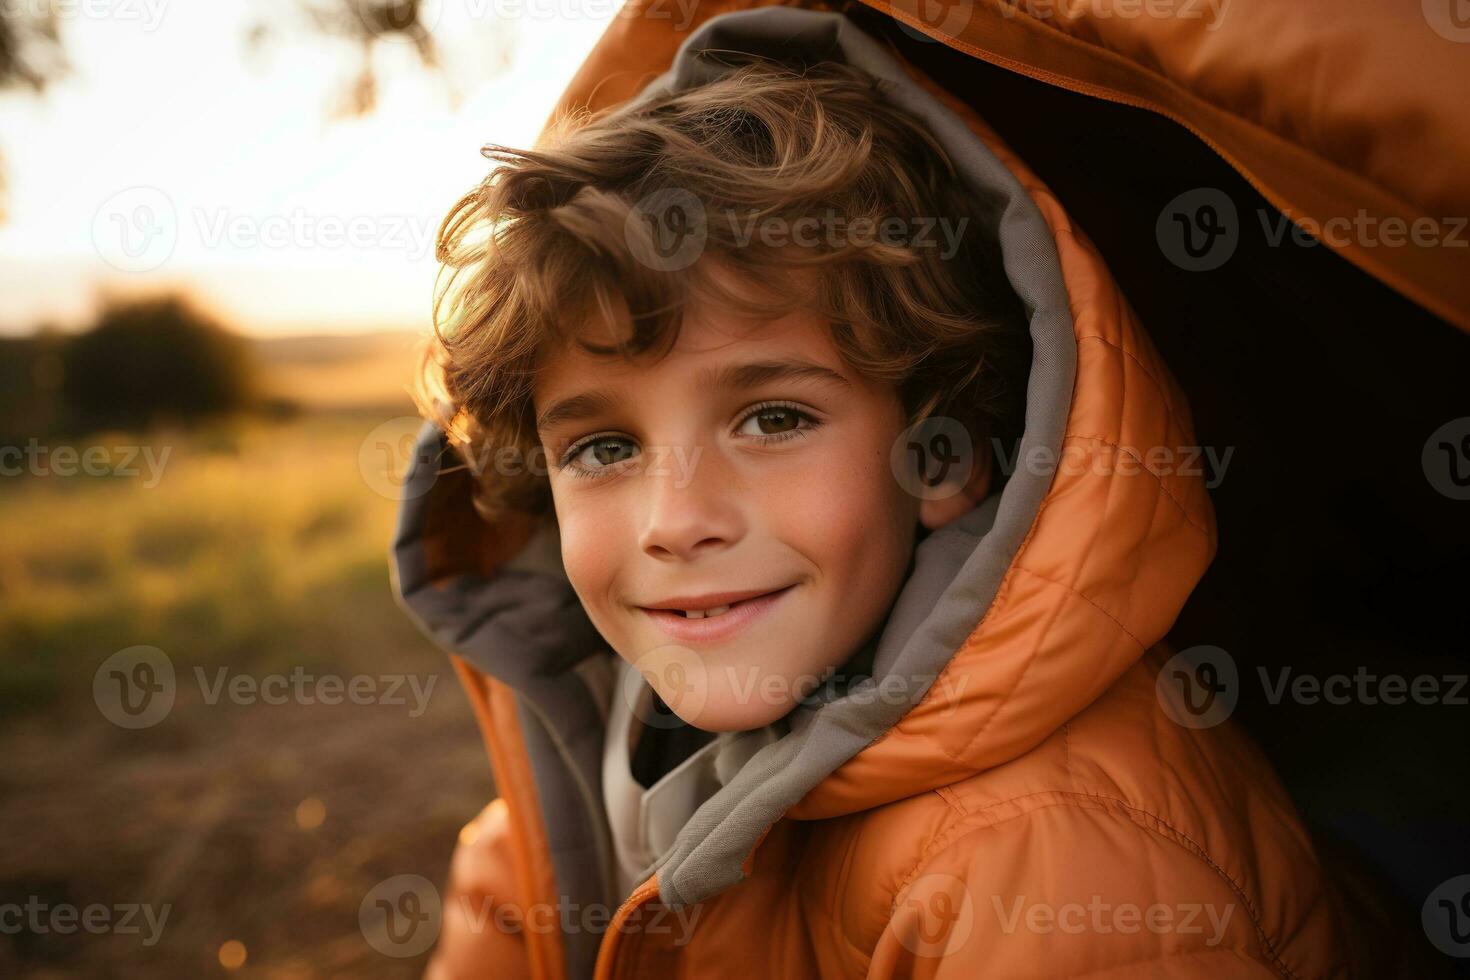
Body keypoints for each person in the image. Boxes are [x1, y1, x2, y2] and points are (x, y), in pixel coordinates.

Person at [391, 10, 1358, 977]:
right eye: (604, 446)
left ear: (940, 460)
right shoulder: (592, 769)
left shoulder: (1051, 866)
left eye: (774, 421)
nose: (676, 522)